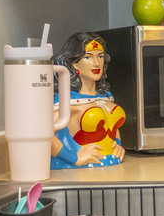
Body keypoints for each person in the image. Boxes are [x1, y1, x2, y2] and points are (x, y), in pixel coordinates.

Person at [51, 32, 125, 168]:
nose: (96, 63)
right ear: (74, 64)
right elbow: (45, 134)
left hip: (110, 166)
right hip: (79, 172)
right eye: (87, 57)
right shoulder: (67, 101)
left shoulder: (105, 96)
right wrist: (74, 158)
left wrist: (118, 145)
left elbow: (112, 126)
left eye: (100, 56)